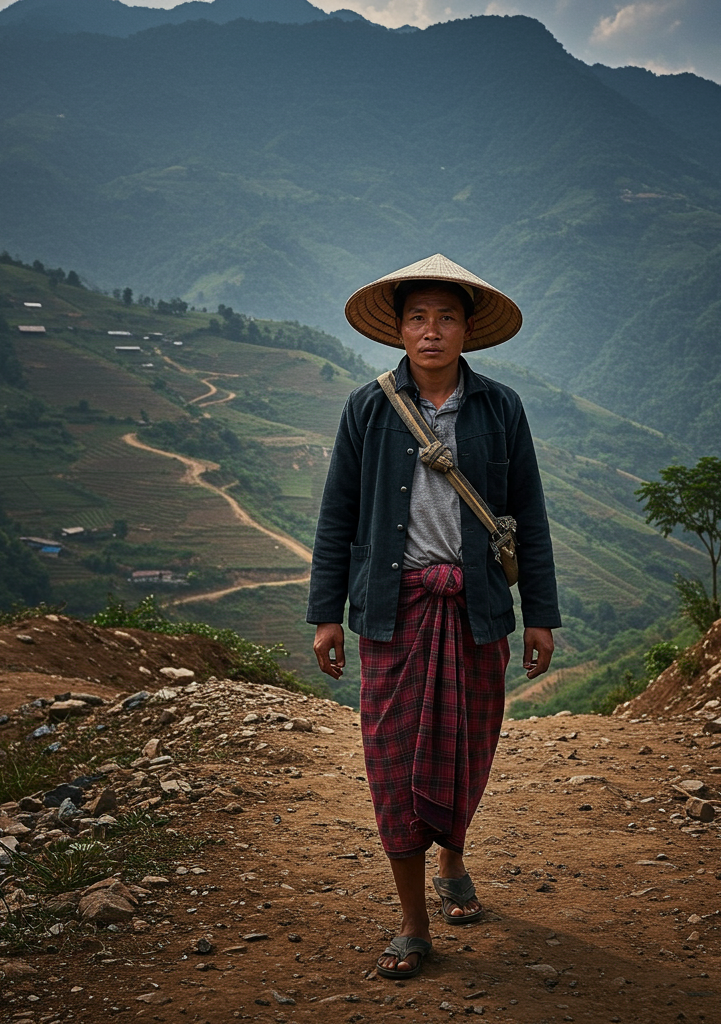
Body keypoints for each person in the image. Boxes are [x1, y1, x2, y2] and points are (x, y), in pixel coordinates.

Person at [307, 253, 560, 979]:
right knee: (392, 765)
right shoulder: (367, 408)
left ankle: (453, 858)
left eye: (446, 317)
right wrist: (327, 612)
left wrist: (539, 611)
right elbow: (338, 517)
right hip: (394, 611)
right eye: (418, 317)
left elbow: (528, 517)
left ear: (468, 329)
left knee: (467, 750)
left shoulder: (500, 408)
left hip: (476, 611)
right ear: (400, 327)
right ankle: (413, 924)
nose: (431, 331)